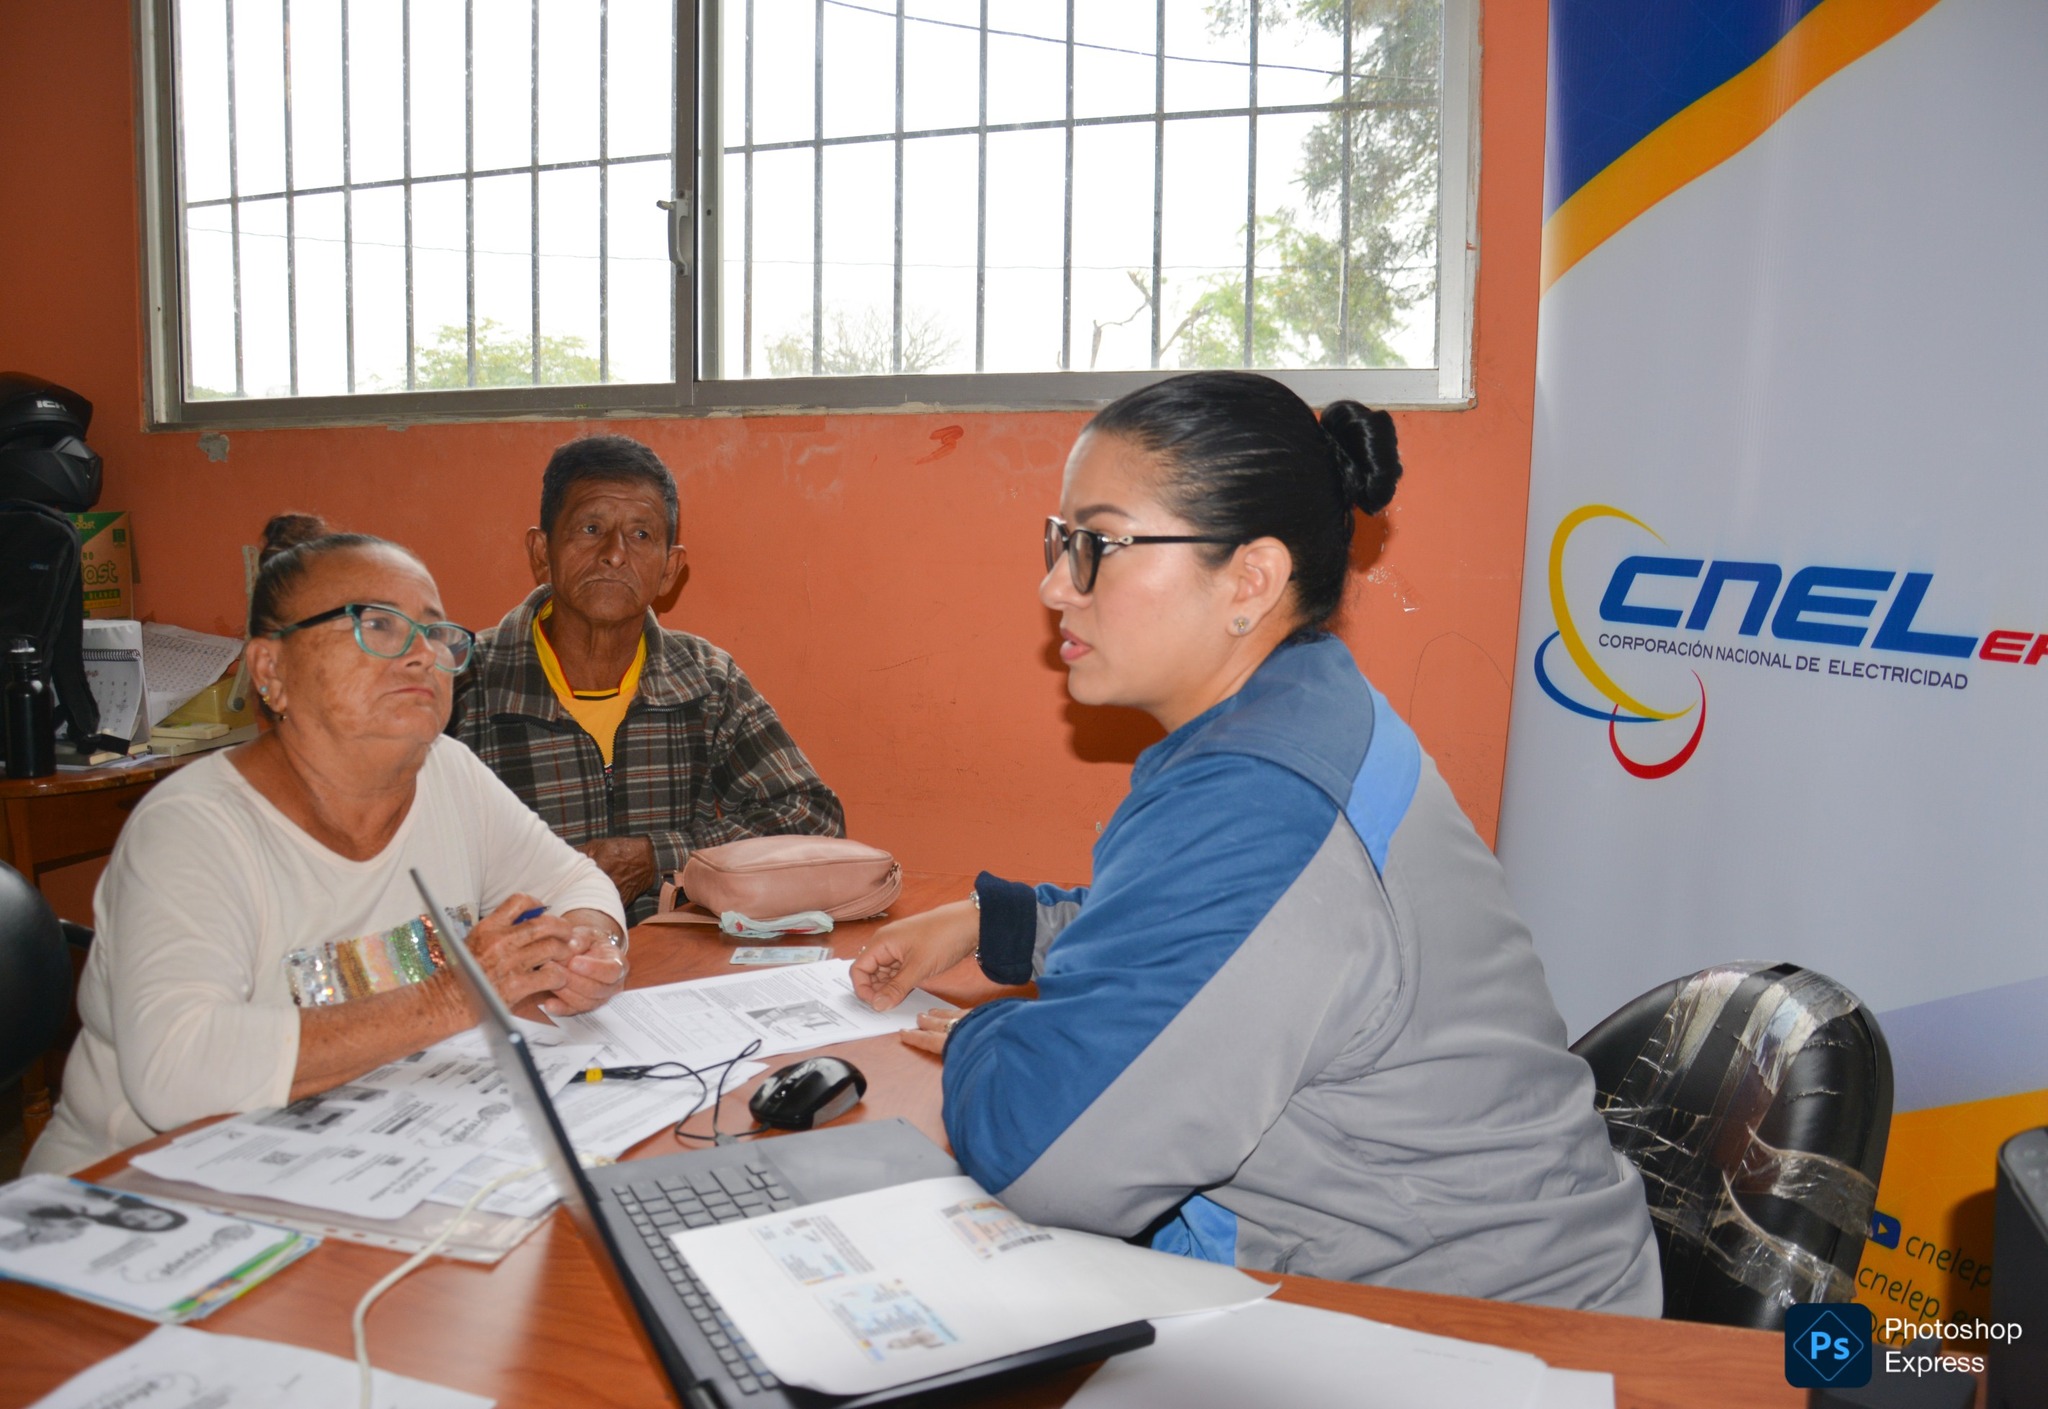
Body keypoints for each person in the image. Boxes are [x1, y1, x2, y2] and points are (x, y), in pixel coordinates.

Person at [852, 372, 1662, 1314]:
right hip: (1441, 1270)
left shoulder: (1268, 797)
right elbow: (1199, 935)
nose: (1055, 585)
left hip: (1490, 1328)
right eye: (1059, 540)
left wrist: (987, 1037)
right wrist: (995, 924)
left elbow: (1049, 1157)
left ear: (1251, 579)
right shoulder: (1294, 711)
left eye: (1097, 545)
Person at [26, 517, 629, 1176]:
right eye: (377, 625)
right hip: (138, 1193)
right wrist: (453, 998)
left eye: (436, 633)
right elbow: (176, 1068)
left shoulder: (448, 773)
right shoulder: (191, 827)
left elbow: (573, 882)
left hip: (359, 1160)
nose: (423, 654)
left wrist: (592, 944)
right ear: (271, 669)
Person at [450, 435, 843, 923]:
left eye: (640, 535)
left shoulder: (706, 679)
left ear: (669, 570)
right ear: (541, 552)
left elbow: (813, 820)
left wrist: (659, 856)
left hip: (672, 962)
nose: (615, 555)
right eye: (591, 528)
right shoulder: (463, 683)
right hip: (515, 961)